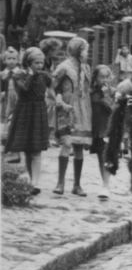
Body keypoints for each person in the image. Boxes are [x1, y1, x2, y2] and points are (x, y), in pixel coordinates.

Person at [4, 47, 51, 194]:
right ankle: (32, 181)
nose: (39, 66)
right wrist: (30, 75)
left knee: (36, 150)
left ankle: (35, 183)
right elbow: (23, 89)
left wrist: (52, 101)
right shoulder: (19, 75)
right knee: (28, 151)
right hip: (24, 112)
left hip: (38, 112)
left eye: (41, 63)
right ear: (28, 63)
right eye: (36, 63)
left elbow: (52, 90)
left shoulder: (45, 76)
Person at [53, 37, 93, 196]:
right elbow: (53, 87)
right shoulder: (63, 67)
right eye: (85, 50)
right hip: (68, 109)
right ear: (77, 50)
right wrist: (59, 100)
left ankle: (77, 184)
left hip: (83, 110)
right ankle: (60, 182)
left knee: (78, 146)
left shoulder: (86, 68)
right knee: (67, 143)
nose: (87, 53)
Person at [89, 65, 115, 201]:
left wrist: (106, 95)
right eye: (101, 77)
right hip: (97, 128)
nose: (104, 80)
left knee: (106, 157)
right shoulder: (91, 92)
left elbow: (113, 109)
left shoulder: (113, 92)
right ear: (96, 78)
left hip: (108, 128)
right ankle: (104, 183)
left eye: (107, 77)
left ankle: (106, 185)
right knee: (100, 156)